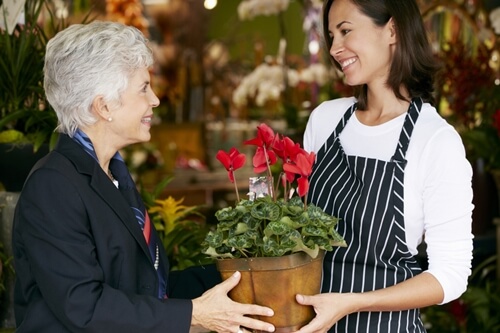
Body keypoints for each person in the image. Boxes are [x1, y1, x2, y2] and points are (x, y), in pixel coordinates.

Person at [11, 21, 275, 333]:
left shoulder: (112, 172)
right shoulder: (53, 186)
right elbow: (84, 307)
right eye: (143, 88)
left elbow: (145, 288)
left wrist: (236, 275)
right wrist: (193, 314)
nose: (155, 100)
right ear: (104, 105)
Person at [295, 0, 474, 332]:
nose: (335, 48)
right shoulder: (325, 120)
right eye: (331, 36)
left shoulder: (435, 141)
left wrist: (354, 302)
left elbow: (450, 276)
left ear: (392, 30)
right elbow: (295, 231)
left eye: (346, 31)